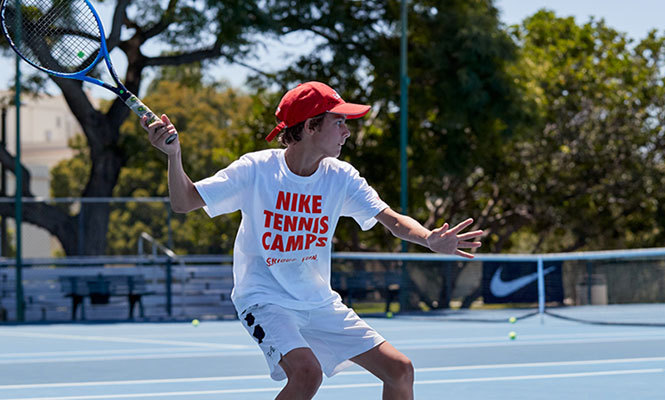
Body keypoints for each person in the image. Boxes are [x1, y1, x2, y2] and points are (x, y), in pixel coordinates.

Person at [144, 81, 483, 400]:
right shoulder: (256, 170)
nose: (347, 131)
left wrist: (430, 238)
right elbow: (184, 201)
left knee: (400, 370)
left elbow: (391, 219)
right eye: (339, 122)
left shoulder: (341, 177)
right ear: (310, 127)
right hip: (264, 299)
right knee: (307, 374)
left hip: (319, 301)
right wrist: (174, 156)